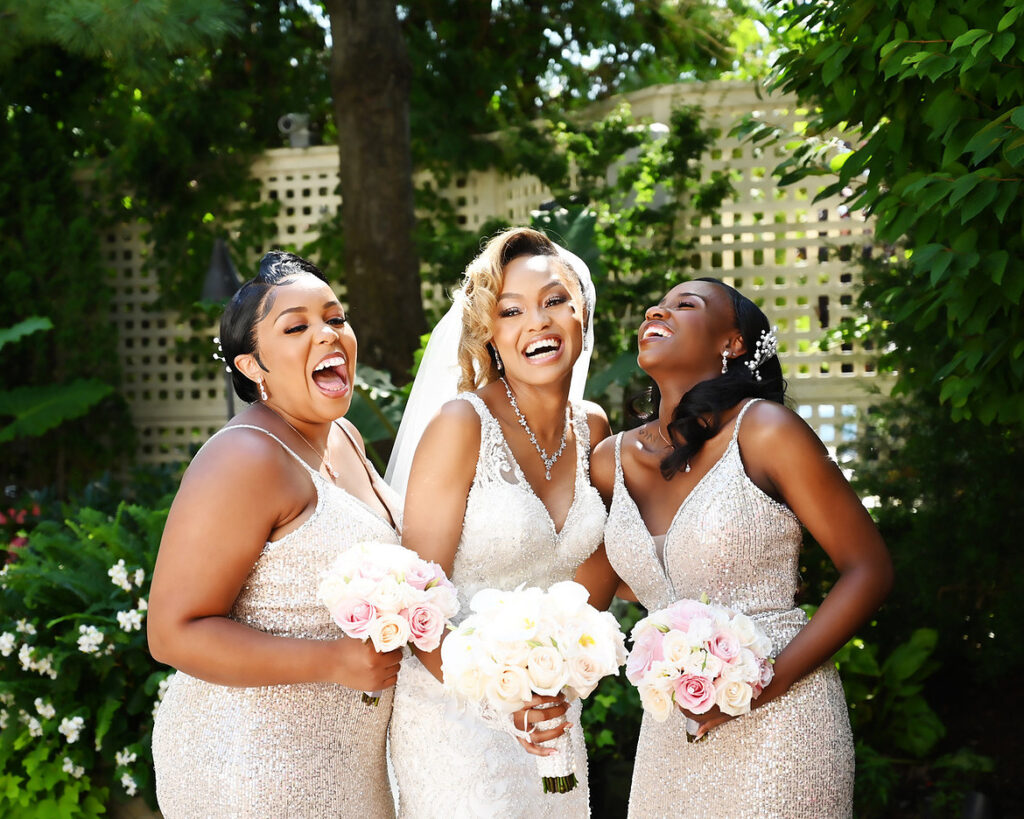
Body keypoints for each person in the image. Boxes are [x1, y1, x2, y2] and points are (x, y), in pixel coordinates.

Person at [593, 277, 893, 818]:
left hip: (781, 721)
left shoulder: (765, 431)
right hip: (671, 730)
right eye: (656, 306)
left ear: (731, 343)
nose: (656, 311)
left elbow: (868, 569)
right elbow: (617, 582)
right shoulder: (608, 460)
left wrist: (761, 686)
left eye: (685, 304)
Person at [148, 251, 403, 818]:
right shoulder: (245, 457)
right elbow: (172, 634)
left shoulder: (344, 436)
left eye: (335, 318)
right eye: (296, 327)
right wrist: (334, 661)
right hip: (255, 765)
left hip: (348, 763)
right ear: (252, 366)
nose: (327, 334)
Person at [385, 227, 612, 817]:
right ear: (489, 332)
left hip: (552, 715)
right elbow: (418, 603)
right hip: (455, 719)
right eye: (511, 311)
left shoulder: (592, 428)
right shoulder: (461, 425)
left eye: (555, 301)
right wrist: (501, 704)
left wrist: (562, 677)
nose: (537, 322)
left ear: (582, 313)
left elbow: (594, 588)